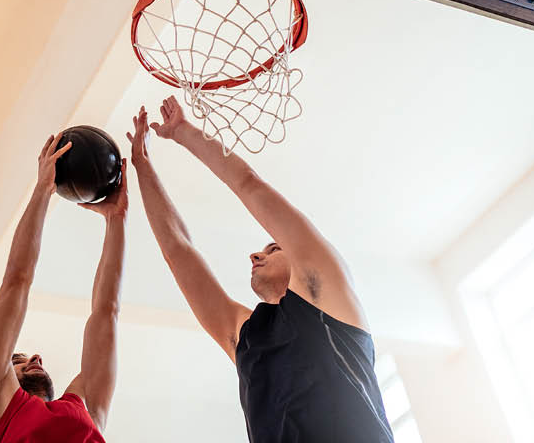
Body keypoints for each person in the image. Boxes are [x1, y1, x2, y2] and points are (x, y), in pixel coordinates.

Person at [128, 96, 394, 443]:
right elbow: (178, 252)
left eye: (273, 247)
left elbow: (249, 184)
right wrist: (143, 169)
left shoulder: (325, 289)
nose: (256, 255)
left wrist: (184, 133)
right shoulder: (246, 337)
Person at [0, 133, 128, 443]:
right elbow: (16, 280)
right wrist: (42, 189)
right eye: (18, 361)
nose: (35, 357)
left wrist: (116, 219)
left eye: (21, 358)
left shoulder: (82, 411)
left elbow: (106, 313)